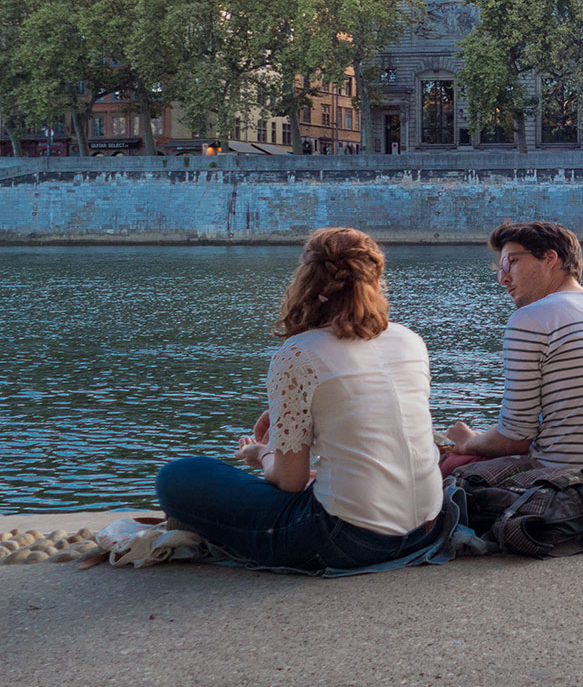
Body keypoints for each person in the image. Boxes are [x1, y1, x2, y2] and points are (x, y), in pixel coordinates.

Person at [155, 227, 445, 573]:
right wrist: (289, 413)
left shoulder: (298, 353)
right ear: (376, 278)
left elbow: (290, 482)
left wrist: (260, 454)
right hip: (427, 527)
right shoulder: (410, 341)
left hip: (347, 540)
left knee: (178, 475)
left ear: (306, 281)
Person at [445, 221, 583, 497]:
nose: (502, 278)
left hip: (568, 494)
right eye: (499, 268)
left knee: (451, 467)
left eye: (511, 263)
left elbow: (515, 439)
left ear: (550, 258)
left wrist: (468, 443)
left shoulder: (532, 318)